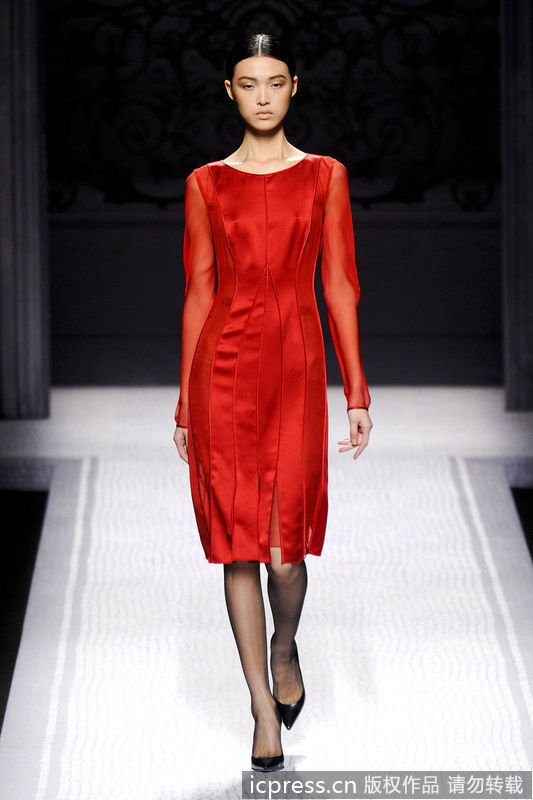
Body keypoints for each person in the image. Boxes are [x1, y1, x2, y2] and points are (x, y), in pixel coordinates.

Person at [173, 32, 373, 773]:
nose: (263, 95)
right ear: (230, 91)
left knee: (285, 556)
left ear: (294, 88)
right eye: (249, 83)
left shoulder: (324, 177)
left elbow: (340, 286)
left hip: (294, 374)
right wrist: (185, 403)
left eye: (275, 81)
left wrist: (355, 390)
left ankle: (284, 645)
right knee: (238, 547)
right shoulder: (205, 184)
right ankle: (262, 707)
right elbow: (198, 292)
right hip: (221, 375)